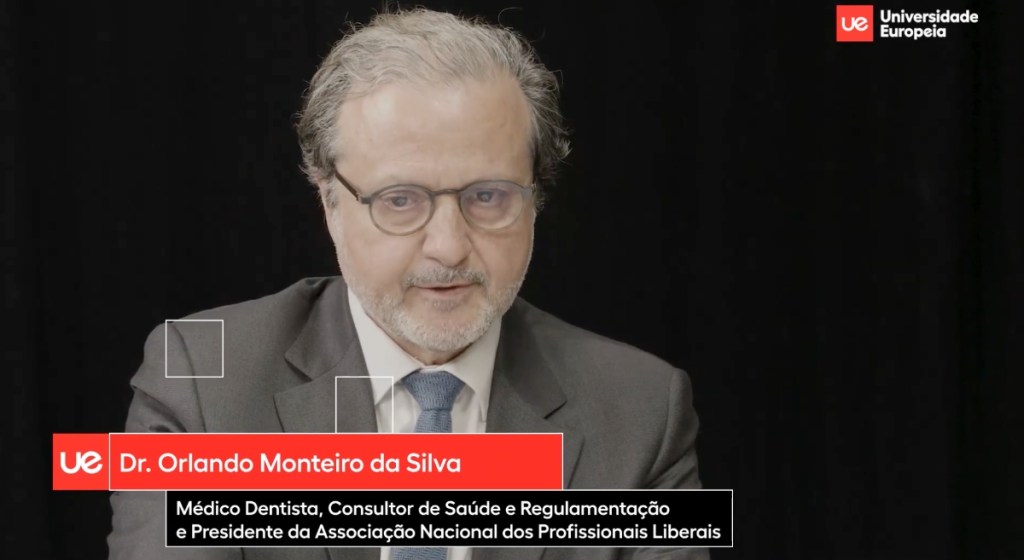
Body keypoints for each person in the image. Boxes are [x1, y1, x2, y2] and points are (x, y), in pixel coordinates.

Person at [108, 8, 706, 560]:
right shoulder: (202, 381)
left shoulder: (642, 410)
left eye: (488, 196)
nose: (448, 246)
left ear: (535, 200)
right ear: (330, 203)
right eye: (400, 200)